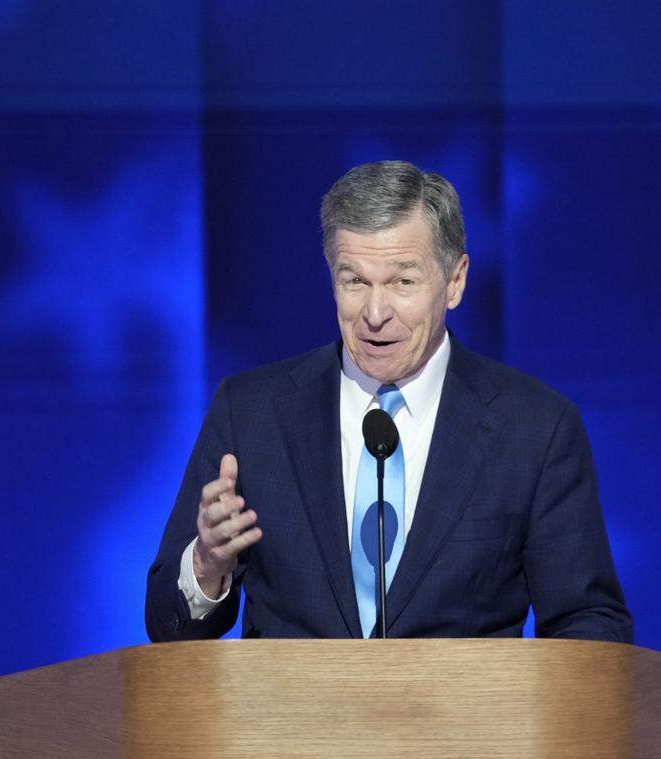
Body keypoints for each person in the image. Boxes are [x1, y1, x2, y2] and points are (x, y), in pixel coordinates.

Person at [146, 160, 632, 641]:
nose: (375, 314)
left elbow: (588, 624)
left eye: (402, 282)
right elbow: (167, 627)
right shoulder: (251, 412)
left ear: (455, 281)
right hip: (291, 697)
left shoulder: (535, 428)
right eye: (355, 281)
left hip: (462, 697)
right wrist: (206, 566)